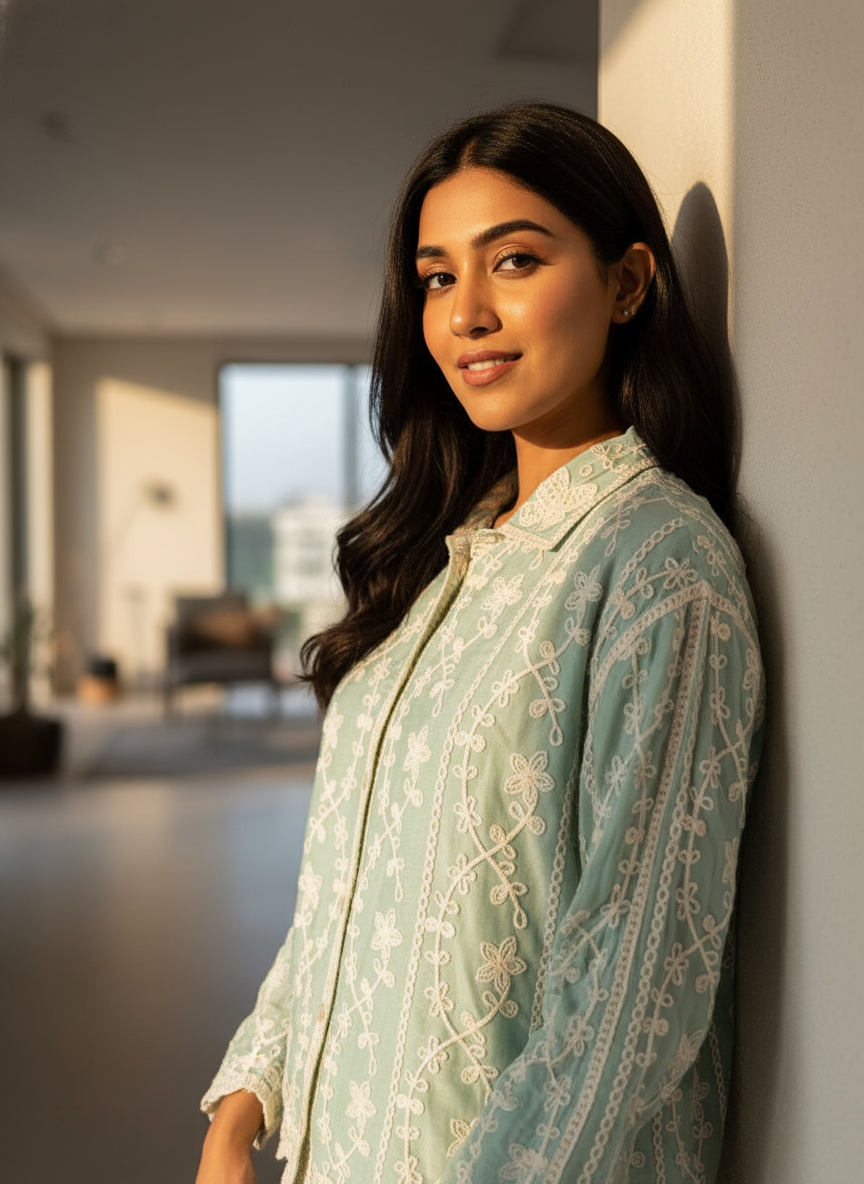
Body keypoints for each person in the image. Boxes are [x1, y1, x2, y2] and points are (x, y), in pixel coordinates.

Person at [196, 101, 764, 1184]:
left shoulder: (658, 567)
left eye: (514, 260)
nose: (467, 313)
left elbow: (632, 1005)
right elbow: (351, 889)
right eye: (439, 276)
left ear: (629, 281)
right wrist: (243, 1097)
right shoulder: (442, 561)